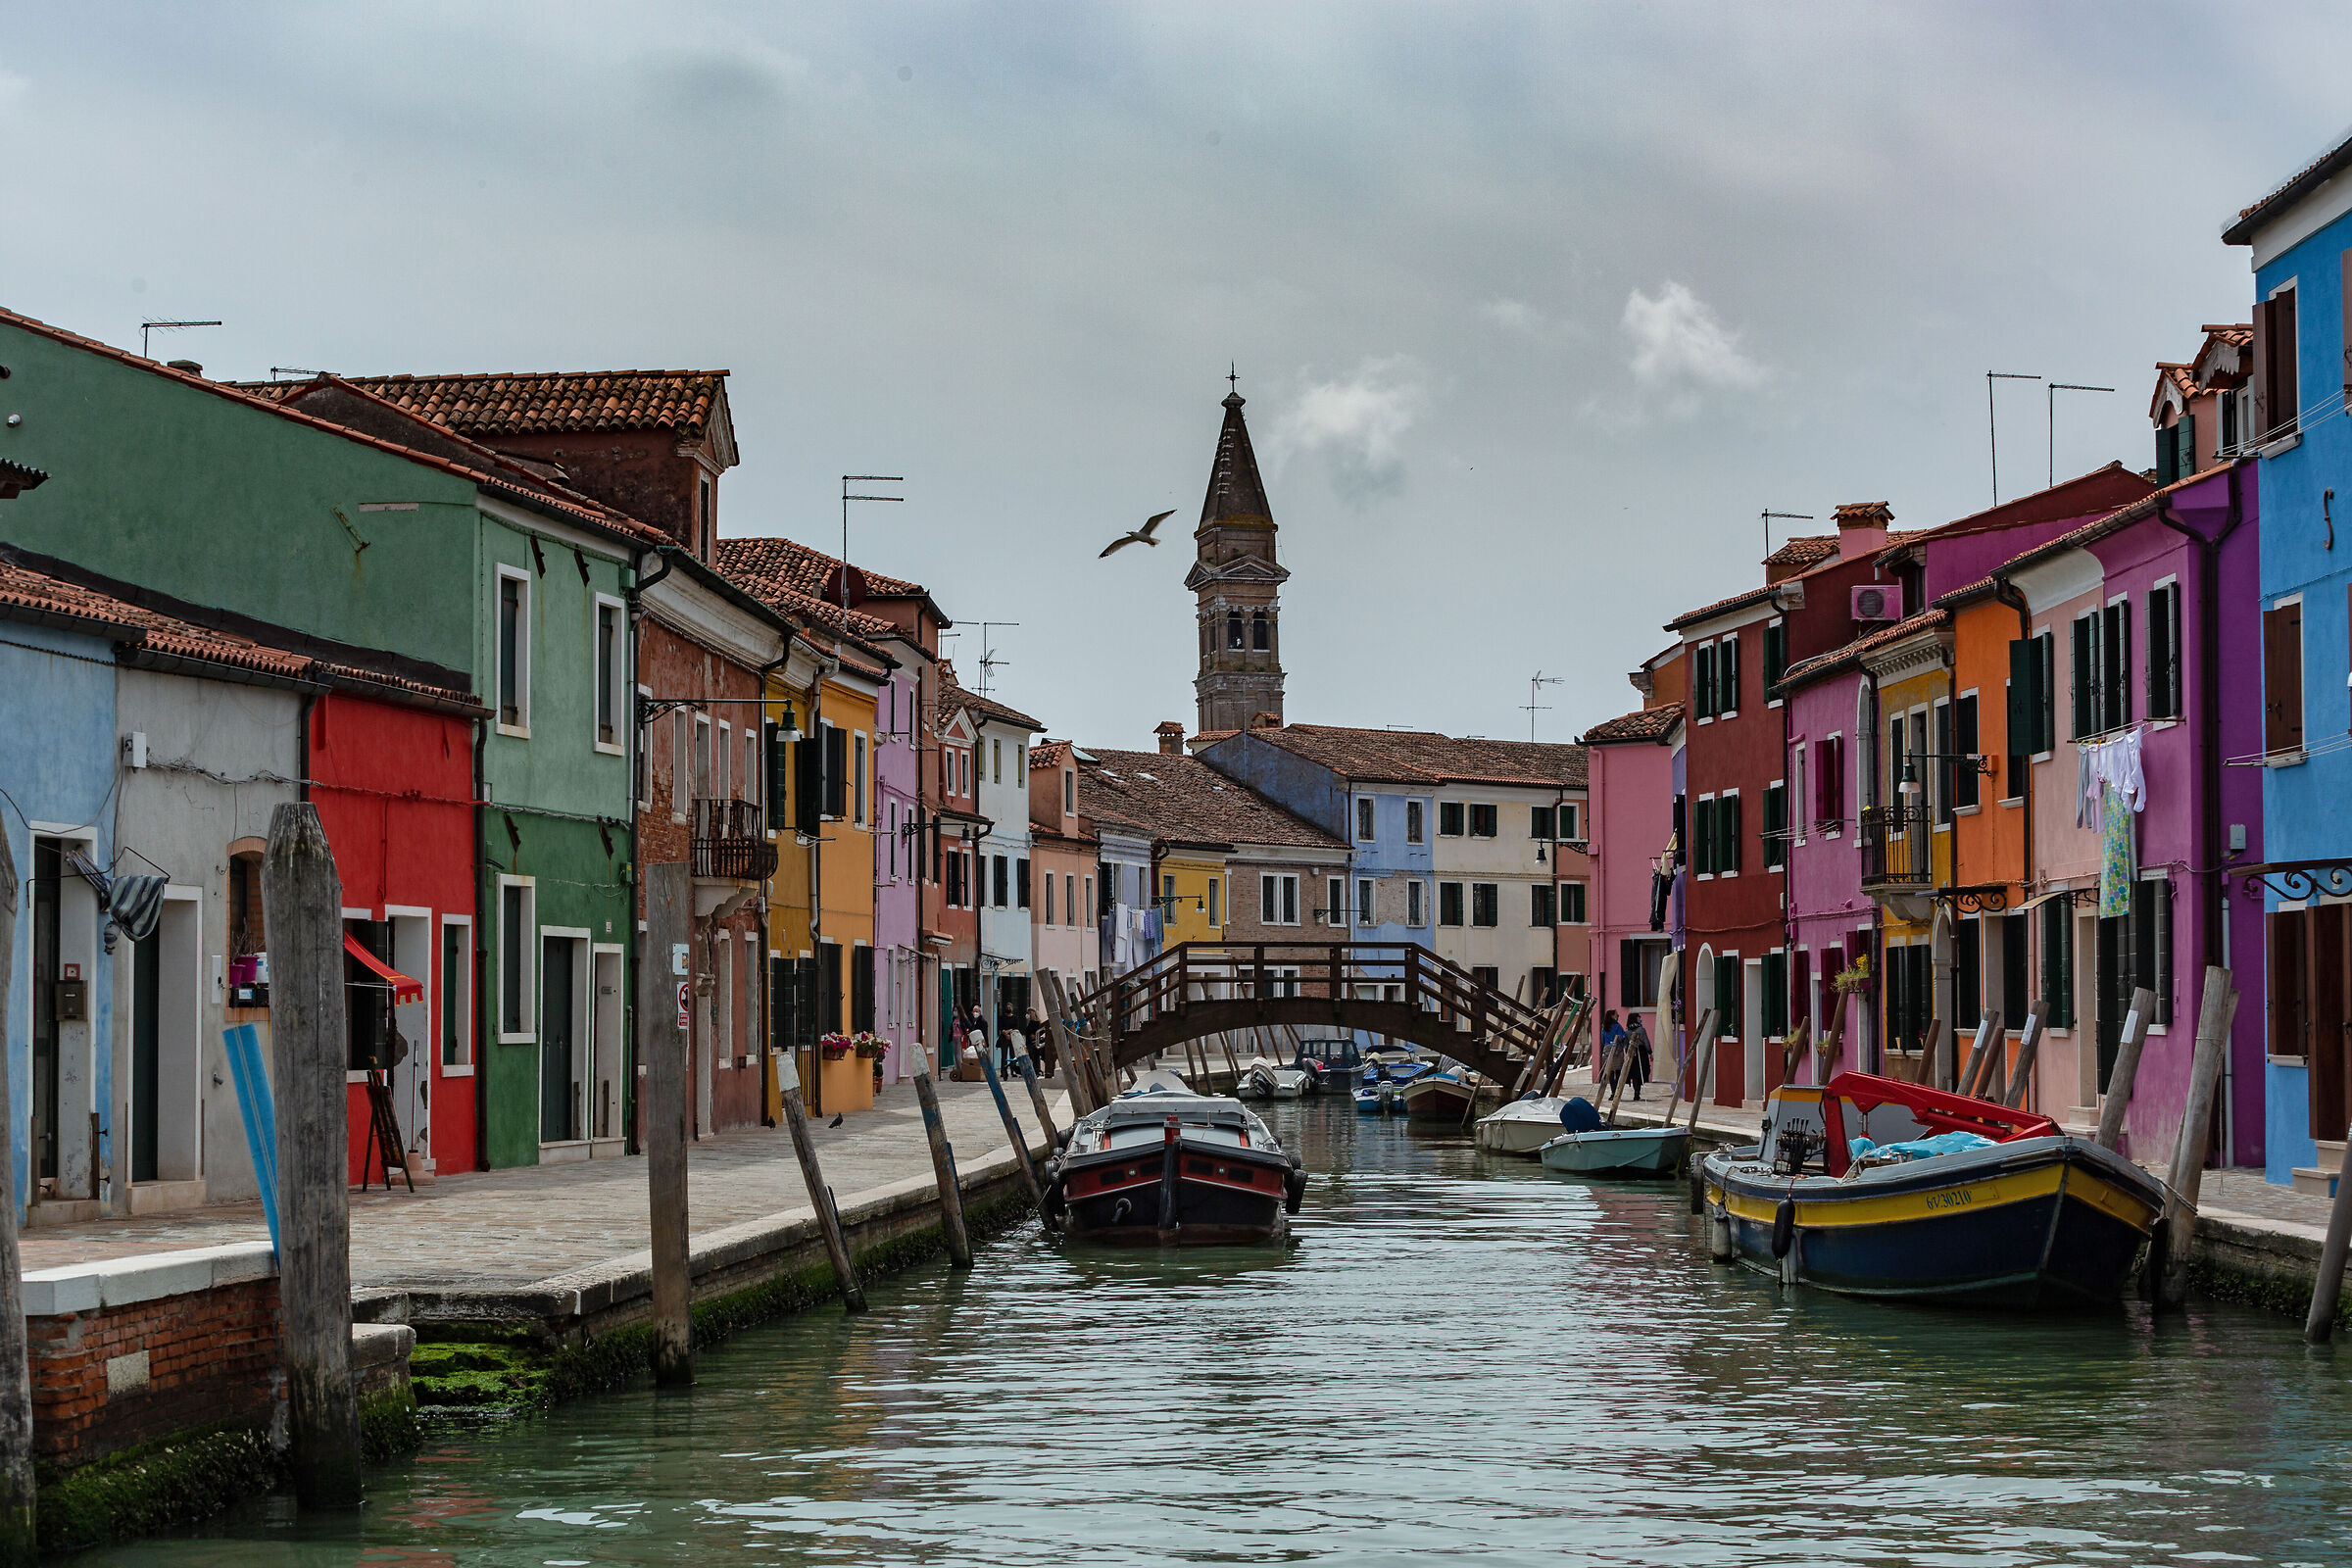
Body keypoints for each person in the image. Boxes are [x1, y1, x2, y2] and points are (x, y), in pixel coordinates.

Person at [1625, 1014, 1653, 1100]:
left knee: (1634, 1073)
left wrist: (1628, 1053)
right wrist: (1650, 1052)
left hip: (1631, 1052)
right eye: (1638, 1017)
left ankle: (1636, 1091)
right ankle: (1637, 1091)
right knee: (1641, 1071)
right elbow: (1646, 1042)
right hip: (1641, 1052)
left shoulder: (1626, 1031)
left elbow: (1626, 1045)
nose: (1640, 1019)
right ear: (1635, 1019)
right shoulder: (1641, 1030)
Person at [1599, 1009, 1626, 1092]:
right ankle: (1617, 1091)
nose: (1618, 1016)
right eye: (1616, 1015)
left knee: (1610, 1072)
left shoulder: (1604, 1027)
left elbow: (1603, 1040)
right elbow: (1621, 1037)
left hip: (1607, 1050)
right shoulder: (1617, 1026)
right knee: (1618, 1071)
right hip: (1617, 1050)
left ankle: (1612, 1091)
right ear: (1612, 1016)